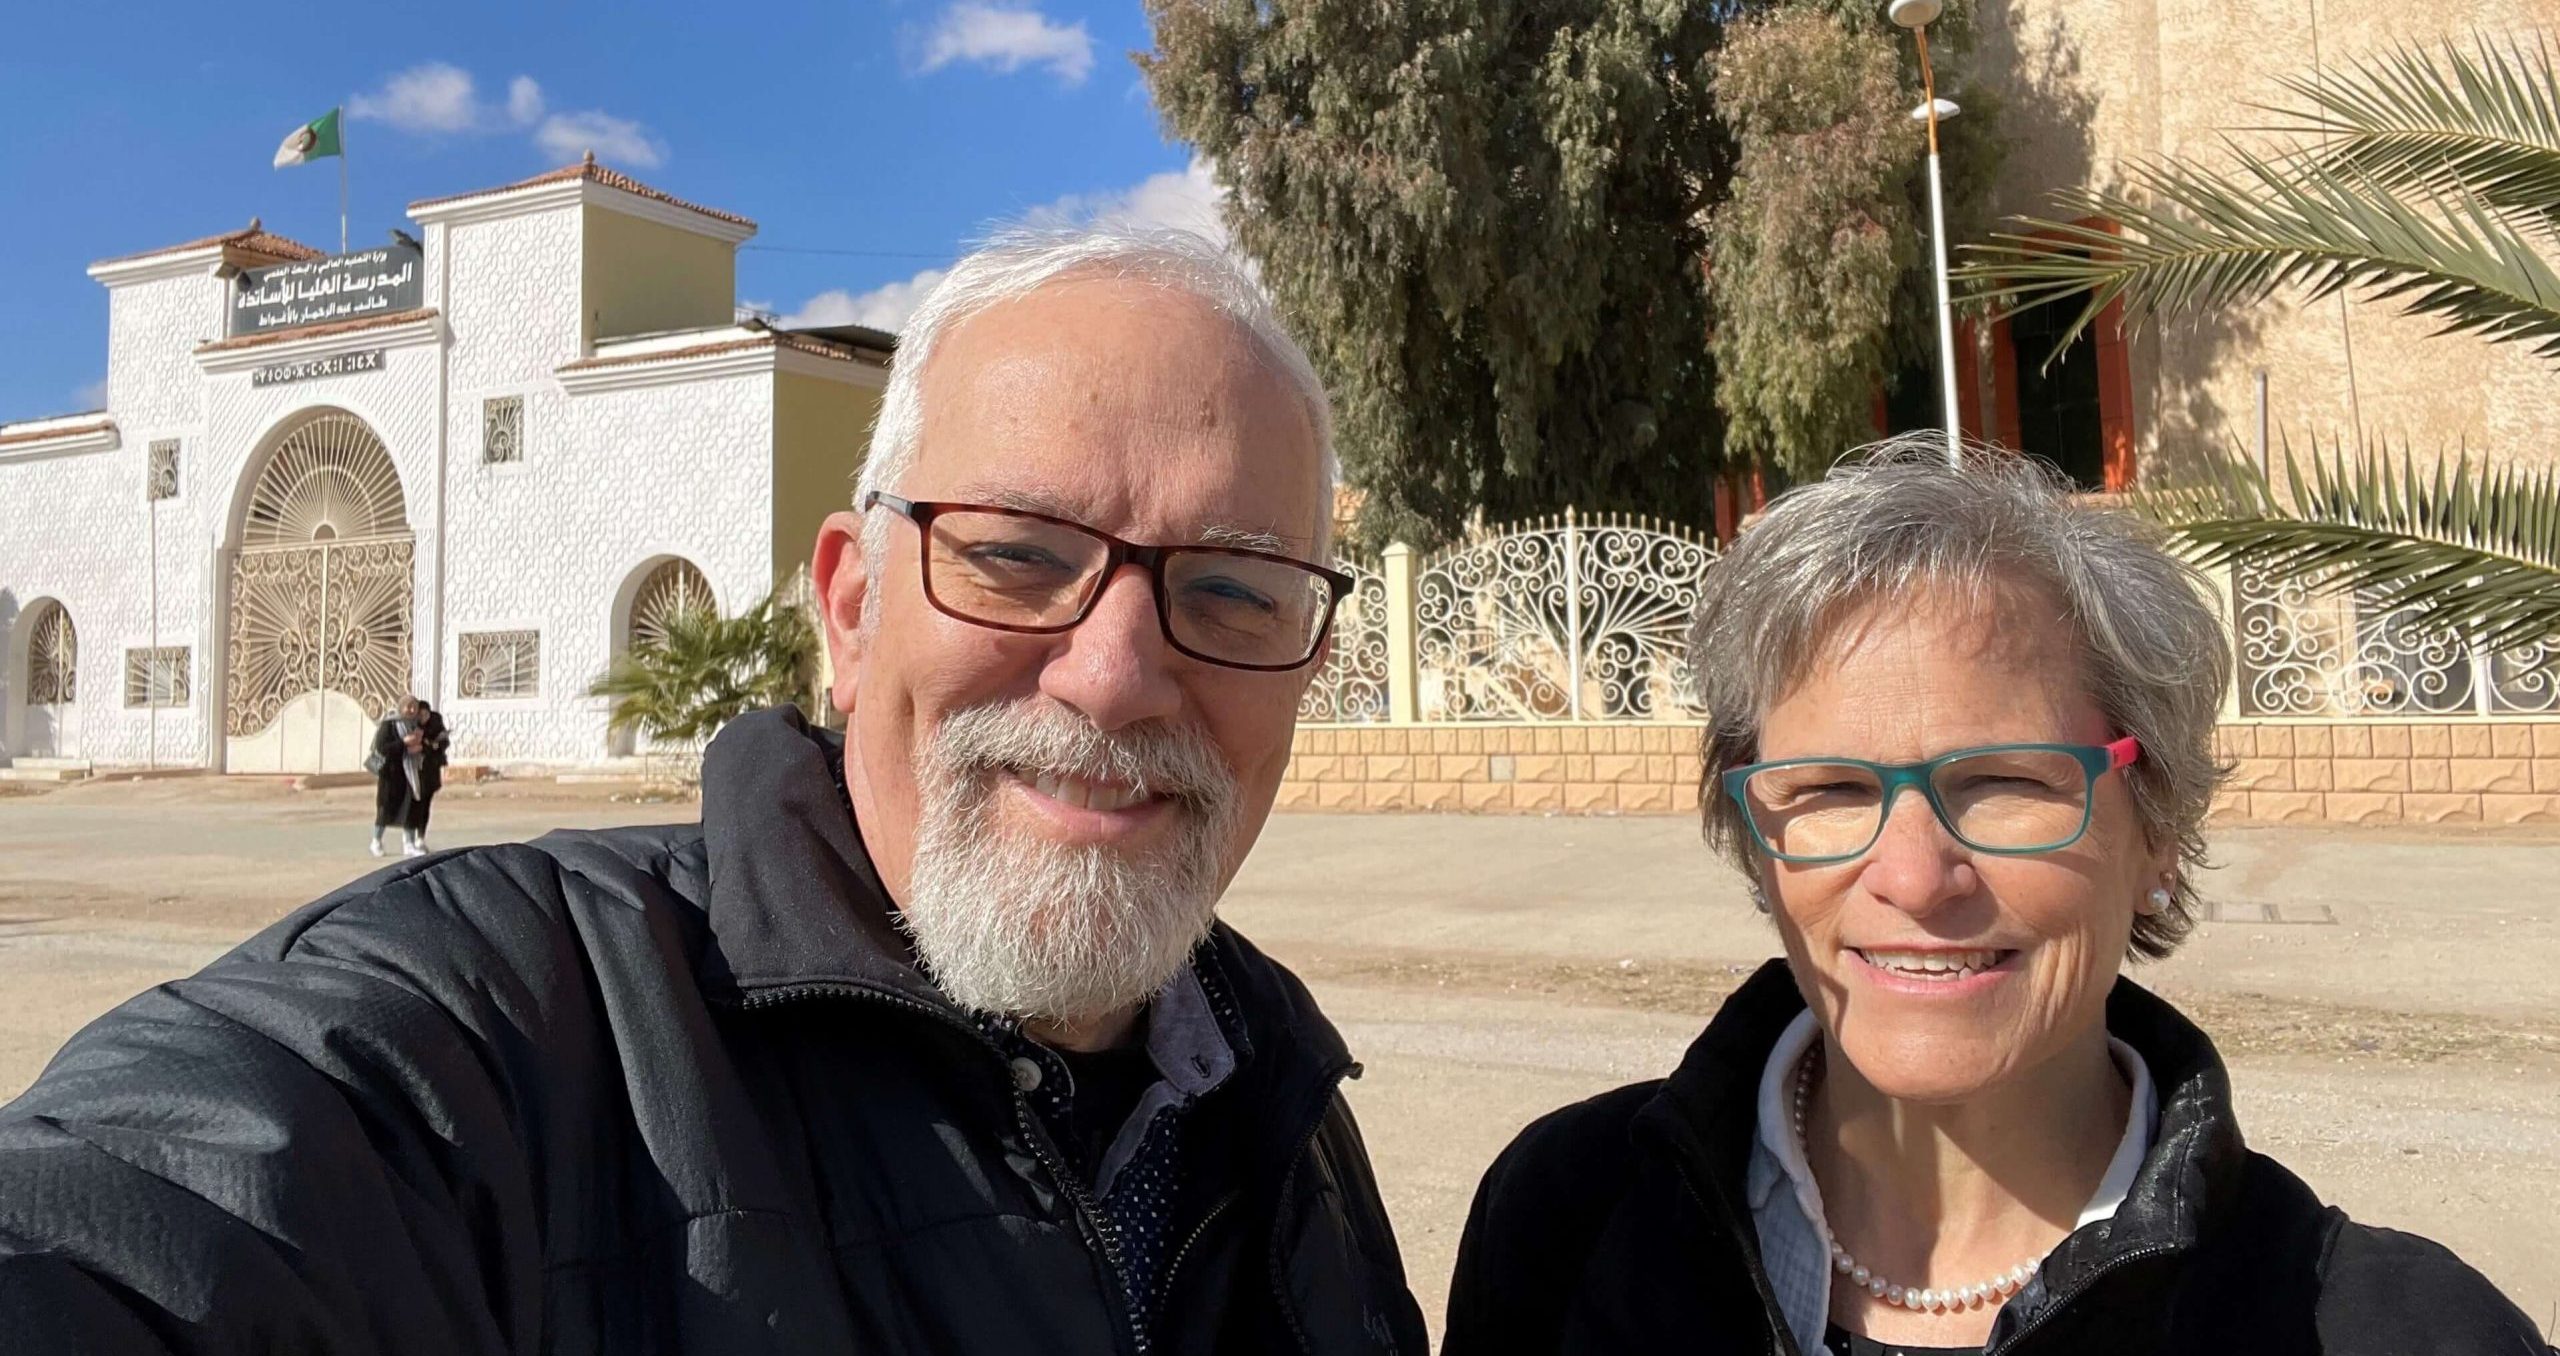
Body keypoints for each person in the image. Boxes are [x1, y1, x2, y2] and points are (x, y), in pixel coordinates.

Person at [0, 225, 1428, 1356]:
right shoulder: (508, 1029)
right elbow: (149, 1219)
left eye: (1235, 589)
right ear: (851, 610)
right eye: (1014, 555)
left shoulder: (1282, 1105)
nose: (1114, 673)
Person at [1441, 439, 2545, 1356]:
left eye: (2006, 783)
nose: (1915, 877)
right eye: (1828, 789)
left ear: (2156, 823)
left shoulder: (2394, 1333)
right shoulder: (1568, 1226)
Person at [368, 696, 424, 858]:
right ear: (401, 707)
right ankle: (376, 841)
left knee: (410, 808)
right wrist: (404, 743)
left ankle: (409, 844)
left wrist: (418, 747)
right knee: (385, 810)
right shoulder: (390, 724)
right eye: (408, 706)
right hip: (390, 775)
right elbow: (382, 747)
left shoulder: (414, 725)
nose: (412, 710)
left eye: (414, 707)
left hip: (409, 773)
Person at [405, 698, 449, 853]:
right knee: (414, 805)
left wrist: (435, 745)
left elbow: (444, 743)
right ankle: (409, 839)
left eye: (426, 714)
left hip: (430, 771)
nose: (424, 717)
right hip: (415, 772)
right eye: (421, 714)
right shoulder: (411, 726)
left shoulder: (436, 724)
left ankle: (420, 838)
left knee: (425, 806)